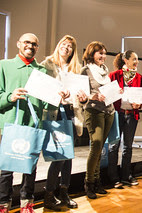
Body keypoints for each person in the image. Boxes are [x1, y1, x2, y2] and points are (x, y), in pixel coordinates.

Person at [0, 33, 69, 213]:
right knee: (6, 169)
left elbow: (46, 102)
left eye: (34, 44)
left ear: (37, 48)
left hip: (34, 126)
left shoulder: (42, 71)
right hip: (9, 125)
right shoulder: (4, 65)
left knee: (30, 167)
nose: (30, 46)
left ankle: (26, 203)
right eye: (27, 42)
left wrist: (58, 98)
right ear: (18, 44)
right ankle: (3, 203)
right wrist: (10, 96)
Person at [40, 35, 86, 210]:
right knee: (59, 157)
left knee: (68, 156)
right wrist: (56, 95)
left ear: (73, 51)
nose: (66, 48)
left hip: (71, 113)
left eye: (70, 46)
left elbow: (83, 96)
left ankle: (64, 193)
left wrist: (83, 99)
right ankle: (49, 195)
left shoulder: (76, 68)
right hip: (54, 112)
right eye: (64, 44)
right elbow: (40, 90)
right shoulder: (46, 65)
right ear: (59, 46)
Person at [82, 41, 115, 199]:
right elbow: (80, 93)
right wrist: (92, 96)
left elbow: (108, 91)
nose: (103, 56)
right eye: (99, 53)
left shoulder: (105, 70)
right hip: (93, 110)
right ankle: (88, 183)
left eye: (104, 53)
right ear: (91, 54)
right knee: (95, 145)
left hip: (109, 111)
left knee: (100, 147)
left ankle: (97, 181)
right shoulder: (85, 70)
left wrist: (116, 92)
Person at [108, 50, 142, 187]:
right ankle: (113, 177)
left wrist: (138, 104)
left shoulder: (139, 77)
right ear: (125, 60)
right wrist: (116, 93)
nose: (137, 62)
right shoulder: (114, 75)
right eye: (134, 59)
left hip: (131, 115)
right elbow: (108, 97)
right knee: (114, 146)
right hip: (117, 114)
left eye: (137, 59)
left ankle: (126, 175)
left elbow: (139, 97)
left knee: (128, 147)